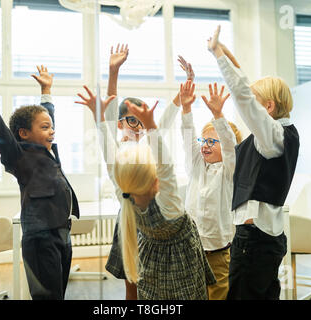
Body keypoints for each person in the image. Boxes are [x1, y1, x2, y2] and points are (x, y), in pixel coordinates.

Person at [0, 45, 80, 300]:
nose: (52, 131)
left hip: (62, 234)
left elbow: (48, 116)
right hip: (40, 239)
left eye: (51, 127)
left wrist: (46, 91)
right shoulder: (17, 155)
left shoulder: (48, 150)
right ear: (23, 134)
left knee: (58, 294)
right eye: (45, 128)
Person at [77, 86, 216, 299]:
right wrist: (150, 125)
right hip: (175, 255)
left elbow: (110, 160)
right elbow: (165, 165)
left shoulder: (123, 191)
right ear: (155, 183)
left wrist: (99, 120)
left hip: (150, 249)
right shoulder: (169, 204)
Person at [208, 26, 300, 300]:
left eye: (257, 105)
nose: (248, 110)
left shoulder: (274, 137)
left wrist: (218, 56)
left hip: (255, 241)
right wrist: (218, 117)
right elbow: (233, 156)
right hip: (258, 239)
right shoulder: (269, 137)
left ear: (268, 107)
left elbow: (244, 96)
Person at [99, 45, 191, 300]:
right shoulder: (117, 150)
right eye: (132, 120)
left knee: (152, 283)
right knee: (132, 282)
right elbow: (107, 112)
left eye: (141, 121)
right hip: (130, 218)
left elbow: (165, 122)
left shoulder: (148, 144)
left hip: (155, 218)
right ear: (120, 124)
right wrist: (113, 72)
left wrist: (182, 93)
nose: (138, 127)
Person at [179, 78, 242, 300]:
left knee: (218, 294)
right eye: (203, 141)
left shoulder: (229, 170)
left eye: (211, 142)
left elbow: (229, 144)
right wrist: (186, 109)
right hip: (191, 249)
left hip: (218, 252)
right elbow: (188, 139)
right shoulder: (197, 166)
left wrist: (218, 116)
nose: (205, 146)